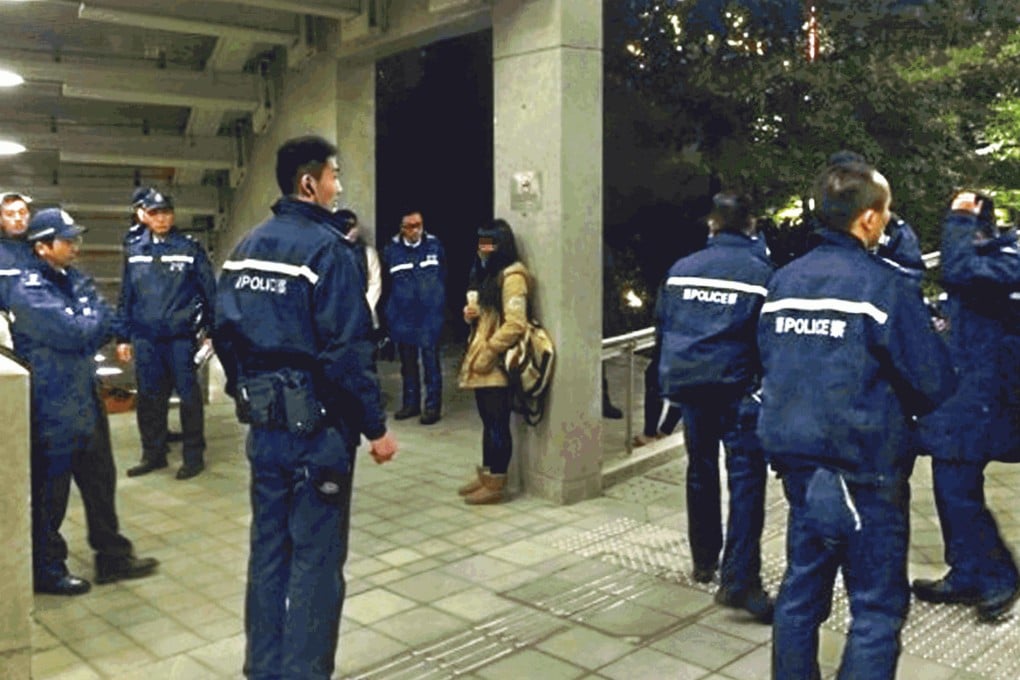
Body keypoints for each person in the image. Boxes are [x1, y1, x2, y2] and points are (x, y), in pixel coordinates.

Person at [758, 161, 957, 679]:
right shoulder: (884, 288)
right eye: (886, 213)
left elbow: (769, 363)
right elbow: (933, 381)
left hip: (801, 471)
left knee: (800, 596)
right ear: (869, 219)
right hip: (866, 470)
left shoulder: (782, 283)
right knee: (875, 609)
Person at [213, 135, 397, 680]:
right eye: (335, 175)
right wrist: (375, 426)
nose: (339, 186)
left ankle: (263, 668)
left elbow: (225, 334)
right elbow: (346, 352)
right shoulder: (329, 251)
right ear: (309, 183)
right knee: (316, 564)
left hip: (266, 428)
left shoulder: (245, 247)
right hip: (319, 434)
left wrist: (249, 392)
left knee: (268, 554)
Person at [8, 208, 158, 595]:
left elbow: (103, 319)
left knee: (100, 483)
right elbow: (78, 332)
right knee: (50, 494)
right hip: (51, 405)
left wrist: (86, 320)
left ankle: (112, 557)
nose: (76, 246)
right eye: (67, 240)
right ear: (42, 247)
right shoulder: (27, 291)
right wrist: (86, 320)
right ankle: (47, 569)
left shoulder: (73, 279)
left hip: (86, 400)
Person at [655, 191, 775, 622]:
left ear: (712, 226)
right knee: (745, 482)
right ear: (752, 226)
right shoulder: (761, 274)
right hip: (738, 393)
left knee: (700, 470)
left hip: (691, 390)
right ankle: (739, 577)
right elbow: (768, 342)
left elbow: (663, 328)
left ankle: (703, 559)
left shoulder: (681, 270)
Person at [913, 190, 1020, 622]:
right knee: (951, 486)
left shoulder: (1009, 254)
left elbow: (958, 271)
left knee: (958, 490)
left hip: (991, 396)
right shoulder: (988, 256)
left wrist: (957, 218)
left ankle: (998, 577)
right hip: (965, 394)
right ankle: (966, 572)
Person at [116, 188, 216, 480]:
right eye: (155, 213)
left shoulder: (189, 248)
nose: (161, 219)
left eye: (166, 213)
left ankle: (193, 456)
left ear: (173, 215)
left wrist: (211, 331)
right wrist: (122, 336)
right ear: (145, 216)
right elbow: (126, 295)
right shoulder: (135, 250)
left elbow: (208, 292)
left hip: (180, 338)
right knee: (149, 398)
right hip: (145, 338)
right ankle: (153, 454)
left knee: (189, 397)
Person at [457, 219, 530, 505]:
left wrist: (489, 352)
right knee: (487, 422)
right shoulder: (489, 274)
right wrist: (470, 315)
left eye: (488, 244)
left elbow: (516, 323)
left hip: (499, 362)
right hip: (482, 355)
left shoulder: (513, 277)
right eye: (480, 244)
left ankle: (497, 481)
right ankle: (487, 475)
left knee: (498, 422)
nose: (482, 250)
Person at [382, 210, 446, 424]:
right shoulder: (391, 250)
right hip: (403, 316)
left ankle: (432, 407)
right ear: (402, 228)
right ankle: (411, 404)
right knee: (408, 364)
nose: (416, 230)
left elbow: (443, 274)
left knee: (431, 362)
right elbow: (386, 284)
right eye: (410, 226)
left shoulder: (434, 246)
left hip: (429, 315)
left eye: (419, 225)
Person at [331, 209, 383, 332]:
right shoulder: (329, 253)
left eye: (354, 226)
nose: (353, 231)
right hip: (335, 318)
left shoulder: (368, 253)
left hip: (364, 317)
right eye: (348, 227)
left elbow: (375, 284)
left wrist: (363, 309)